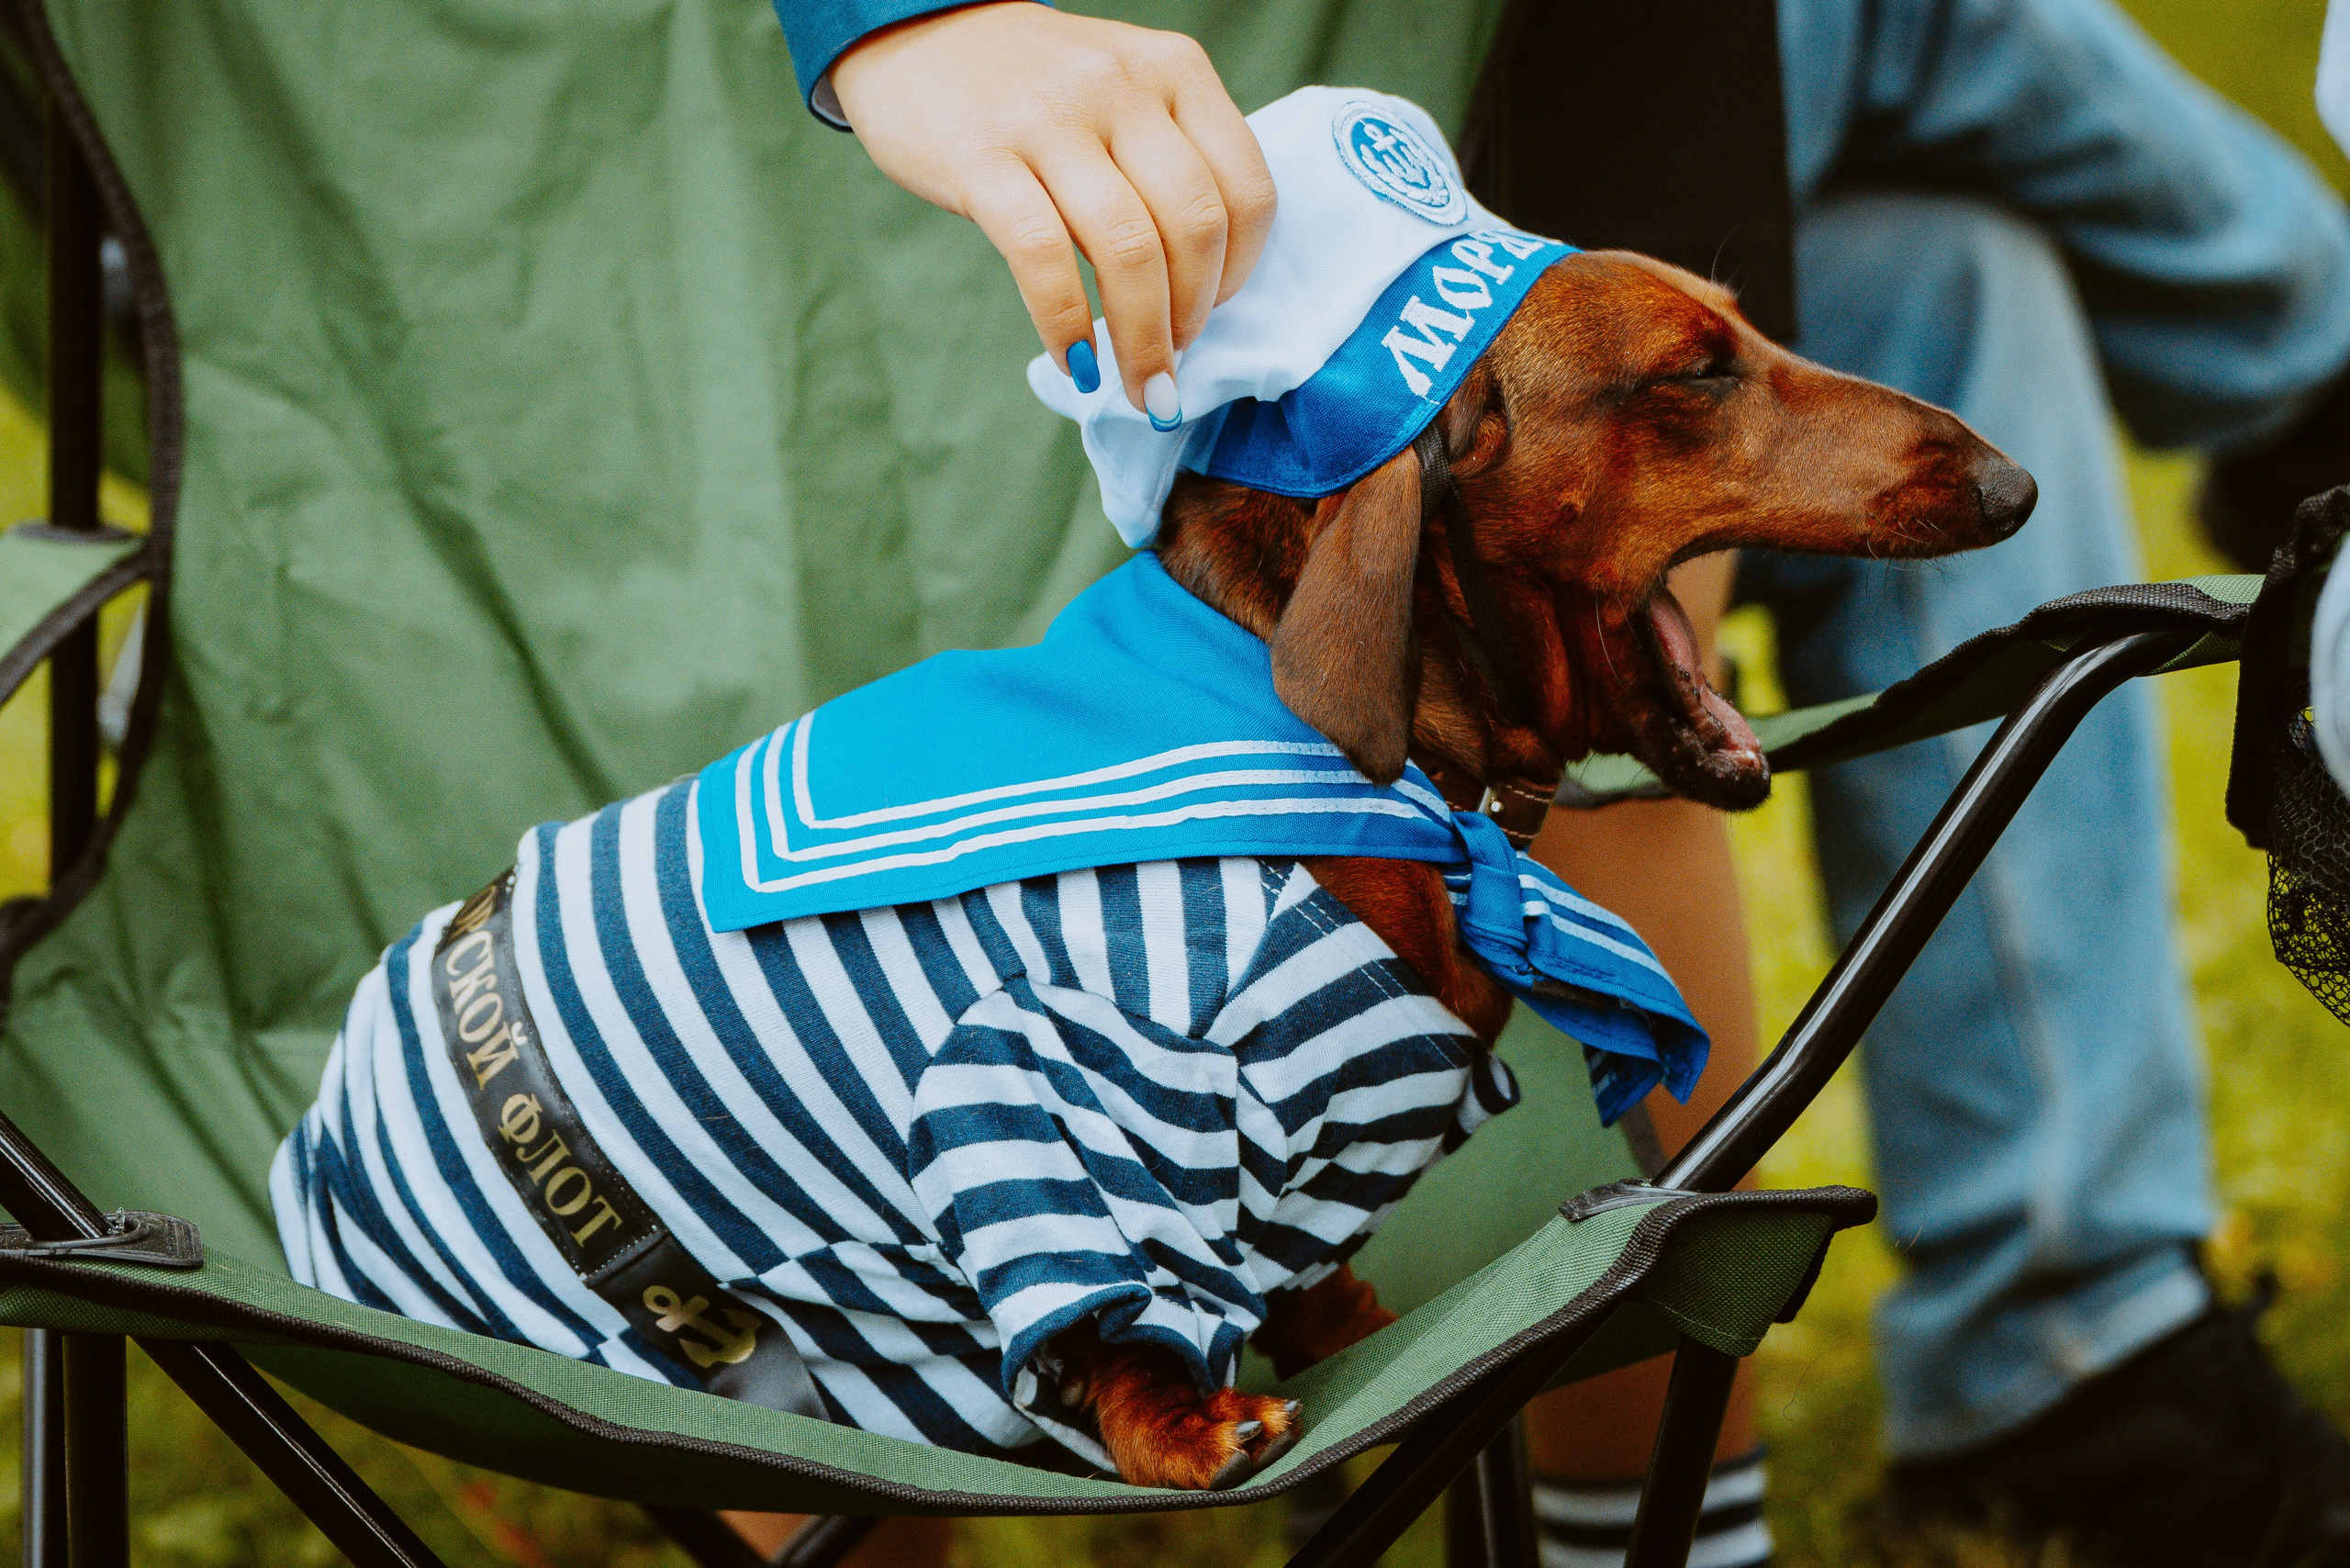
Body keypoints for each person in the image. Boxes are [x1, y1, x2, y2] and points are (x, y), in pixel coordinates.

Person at [743, 3, 2350, 1564]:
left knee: (1940, 269)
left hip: (1475, 96)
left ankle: (2070, 1336)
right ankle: (2061, 1343)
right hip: (1181, 156)